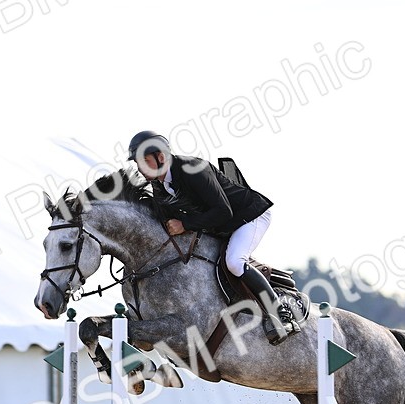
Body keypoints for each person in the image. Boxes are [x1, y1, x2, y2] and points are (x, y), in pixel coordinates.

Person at [127, 130, 301, 345]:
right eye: (137, 163)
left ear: (161, 157)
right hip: (219, 226)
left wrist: (185, 225)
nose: (140, 169)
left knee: (235, 262)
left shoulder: (193, 168)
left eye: (144, 161)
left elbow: (223, 211)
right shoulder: (159, 185)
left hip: (249, 216)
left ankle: (280, 314)